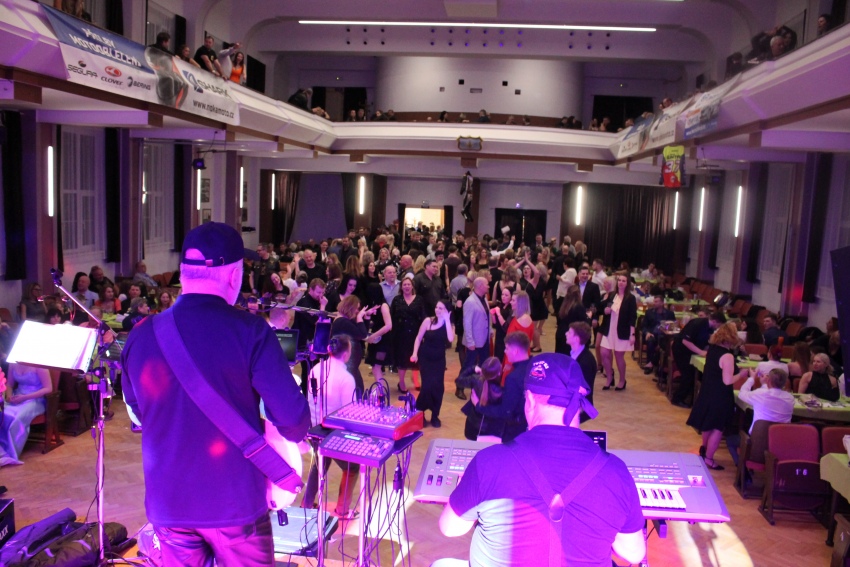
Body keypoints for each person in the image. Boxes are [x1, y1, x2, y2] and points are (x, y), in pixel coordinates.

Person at [122, 222, 310, 567]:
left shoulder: (141, 334)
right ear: (234, 275)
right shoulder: (251, 331)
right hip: (233, 504)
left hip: (169, 502)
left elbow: (137, 413)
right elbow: (294, 422)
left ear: (182, 272)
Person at [438, 352, 646, 567]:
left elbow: (449, 528)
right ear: (579, 405)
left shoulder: (488, 462)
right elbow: (634, 554)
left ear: (529, 400)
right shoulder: (616, 472)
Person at [300, 335, 359, 518]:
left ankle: (306, 504)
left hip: (314, 429)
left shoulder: (316, 369)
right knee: (352, 468)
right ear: (347, 354)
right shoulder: (346, 378)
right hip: (334, 434)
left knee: (319, 463)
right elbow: (349, 413)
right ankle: (342, 509)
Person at [686, 323, 749, 470]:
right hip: (720, 395)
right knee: (717, 428)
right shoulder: (727, 356)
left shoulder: (712, 350)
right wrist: (742, 374)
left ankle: (704, 448)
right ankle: (709, 458)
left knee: (708, 424)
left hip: (707, 391)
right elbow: (727, 381)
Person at [411, 300, 455, 427]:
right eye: (436, 307)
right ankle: (420, 412)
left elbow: (450, 339)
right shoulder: (428, 321)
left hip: (439, 360)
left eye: (441, 308)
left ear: (447, 311)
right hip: (425, 358)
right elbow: (418, 338)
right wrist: (414, 353)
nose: (437, 310)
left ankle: (435, 415)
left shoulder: (449, 325)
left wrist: (447, 320)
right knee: (427, 386)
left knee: (438, 387)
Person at [0, 363, 52, 467]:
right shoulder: (13, 364)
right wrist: (9, 396)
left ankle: (11, 453)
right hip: (17, 396)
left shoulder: (40, 365)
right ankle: (2, 450)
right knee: (3, 414)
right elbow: (9, 384)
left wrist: (24, 397)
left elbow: (48, 388)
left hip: (35, 399)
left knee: (17, 418)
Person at [671, 312, 727, 408]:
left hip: (691, 352)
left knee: (696, 375)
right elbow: (685, 341)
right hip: (681, 350)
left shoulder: (710, 328)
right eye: (719, 325)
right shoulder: (697, 324)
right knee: (688, 375)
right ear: (715, 321)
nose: (719, 328)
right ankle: (677, 398)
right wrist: (701, 352)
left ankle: (693, 399)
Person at [599, 273, 638, 391]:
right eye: (619, 280)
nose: (621, 282)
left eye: (623, 281)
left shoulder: (630, 298)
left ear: (627, 283)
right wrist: (605, 310)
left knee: (618, 356)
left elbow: (633, 317)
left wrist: (632, 334)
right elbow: (604, 308)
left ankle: (622, 380)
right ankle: (609, 377)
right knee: (604, 353)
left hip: (622, 331)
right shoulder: (612, 295)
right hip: (609, 329)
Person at [455, 278, 491, 400]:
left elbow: (487, 317)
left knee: (483, 364)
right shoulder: (470, 302)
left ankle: (479, 387)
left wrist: (490, 331)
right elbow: (467, 323)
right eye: (487, 284)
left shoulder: (484, 298)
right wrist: (470, 341)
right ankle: (459, 387)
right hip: (474, 341)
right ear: (480, 286)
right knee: (468, 365)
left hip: (484, 339)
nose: (489, 286)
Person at [330, 295, 373, 394]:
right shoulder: (342, 322)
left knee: (358, 388)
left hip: (351, 363)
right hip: (348, 363)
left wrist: (366, 317)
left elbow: (363, 332)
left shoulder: (345, 320)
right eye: (357, 308)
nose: (357, 311)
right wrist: (359, 317)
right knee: (355, 390)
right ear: (350, 307)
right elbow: (362, 335)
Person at [390, 277, 425, 393]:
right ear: (401, 287)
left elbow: (423, 316)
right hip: (400, 334)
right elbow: (392, 316)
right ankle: (401, 382)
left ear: (412, 286)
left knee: (416, 358)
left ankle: (416, 380)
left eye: (408, 284)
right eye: (404, 284)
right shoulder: (396, 300)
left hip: (415, 333)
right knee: (402, 360)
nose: (406, 286)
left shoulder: (419, 299)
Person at [739, 368, 794, 434]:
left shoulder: (760, 394)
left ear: (769, 381)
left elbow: (742, 394)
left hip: (759, 436)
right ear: (785, 383)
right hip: (781, 436)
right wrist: (765, 384)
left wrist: (752, 378)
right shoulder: (790, 398)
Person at [567, 321, 597, 420]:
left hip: (581, 407)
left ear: (576, 339)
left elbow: (583, 390)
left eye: (569, 332)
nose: (566, 334)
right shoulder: (575, 354)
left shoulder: (586, 361)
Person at [641, 295, 676, 374]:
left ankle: (658, 366)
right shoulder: (649, 312)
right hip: (652, 334)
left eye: (656, 301)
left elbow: (673, 326)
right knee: (650, 341)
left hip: (665, 336)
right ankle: (650, 364)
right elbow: (643, 326)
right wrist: (647, 332)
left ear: (662, 303)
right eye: (654, 301)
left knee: (667, 344)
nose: (654, 303)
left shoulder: (669, 314)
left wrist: (668, 327)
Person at [555, 285, 587, 355]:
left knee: (561, 356)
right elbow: (583, 324)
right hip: (571, 335)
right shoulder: (579, 307)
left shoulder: (563, 305)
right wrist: (589, 318)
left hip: (561, 333)